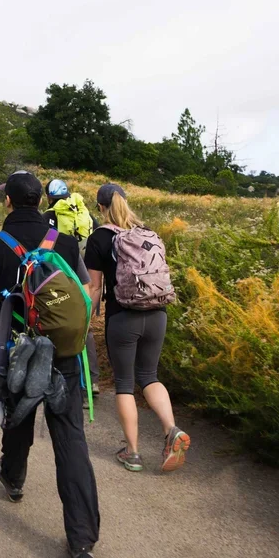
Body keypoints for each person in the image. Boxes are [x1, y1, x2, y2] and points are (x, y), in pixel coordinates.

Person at [0, 171, 101, 558]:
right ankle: (81, 540)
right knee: (70, 439)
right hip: (63, 353)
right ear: (40, 202)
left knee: (18, 418)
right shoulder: (63, 242)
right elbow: (84, 294)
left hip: (17, 351)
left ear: (8, 202)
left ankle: (13, 478)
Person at [83, 183, 190, 473]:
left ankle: (132, 453)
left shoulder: (99, 239)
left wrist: (86, 320)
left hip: (123, 317)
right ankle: (171, 430)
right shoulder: (147, 232)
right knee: (149, 376)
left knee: (125, 384)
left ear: (101, 208)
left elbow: (94, 287)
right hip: (157, 313)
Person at [42, 178, 101, 405]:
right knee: (84, 328)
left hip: (60, 281)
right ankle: (92, 380)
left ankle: (63, 384)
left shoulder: (49, 217)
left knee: (59, 327)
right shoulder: (85, 215)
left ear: (49, 197)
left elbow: (44, 250)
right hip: (85, 278)